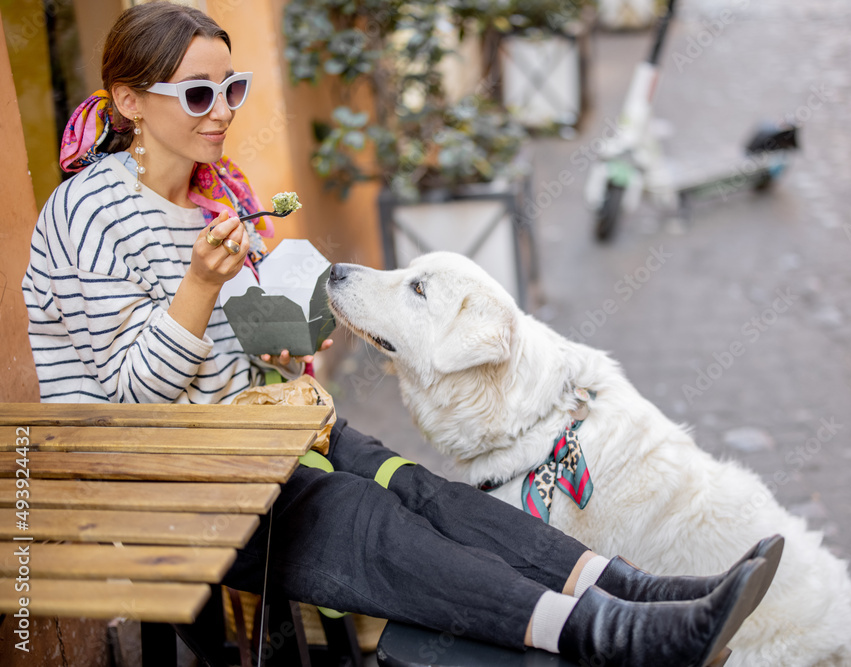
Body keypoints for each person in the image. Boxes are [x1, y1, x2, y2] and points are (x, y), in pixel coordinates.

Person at [21, 3, 782, 665]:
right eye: (197, 93)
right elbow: (133, 390)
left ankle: (635, 590)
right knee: (362, 518)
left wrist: (275, 346)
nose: (222, 109)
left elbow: (219, 360)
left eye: (233, 88)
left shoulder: (210, 196)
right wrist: (200, 286)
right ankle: (611, 636)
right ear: (128, 101)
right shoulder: (87, 212)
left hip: (241, 440)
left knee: (420, 489)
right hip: (155, 477)